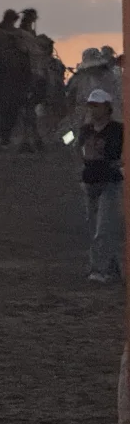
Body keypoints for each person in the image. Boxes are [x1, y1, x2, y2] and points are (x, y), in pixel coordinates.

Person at [78, 88, 124, 284]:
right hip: (90, 182)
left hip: (110, 183)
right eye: (91, 105)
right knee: (95, 228)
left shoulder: (117, 130)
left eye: (96, 106)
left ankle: (98, 269)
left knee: (102, 228)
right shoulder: (85, 130)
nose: (93, 109)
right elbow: (71, 142)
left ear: (107, 107)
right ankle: (112, 268)